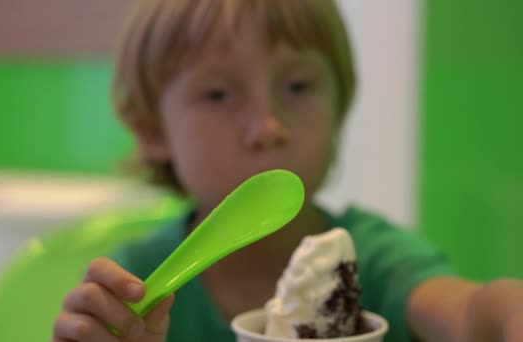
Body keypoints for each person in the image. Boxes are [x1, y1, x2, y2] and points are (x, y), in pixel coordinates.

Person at [51, 1, 523, 341]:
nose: (268, 126)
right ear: (153, 131)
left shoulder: (375, 261)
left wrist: (507, 310)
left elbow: (467, 311)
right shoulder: (136, 281)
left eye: (298, 86)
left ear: (340, 108)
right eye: (218, 95)